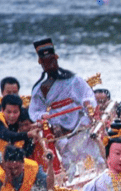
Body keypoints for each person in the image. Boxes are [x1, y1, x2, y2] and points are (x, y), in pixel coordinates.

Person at [28, 38, 100, 176]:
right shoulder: (41, 87)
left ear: (56, 58)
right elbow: (35, 111)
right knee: (66, 153)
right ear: (41, 63)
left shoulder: (73, 79)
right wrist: (42, 116)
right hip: (58, 124)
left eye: (52, 60)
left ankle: (96, 170)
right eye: (46, 62)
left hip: (78, 119)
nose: (50, 64)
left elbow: (87, 94)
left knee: (89, 143)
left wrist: (87, 103)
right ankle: (71, 178)